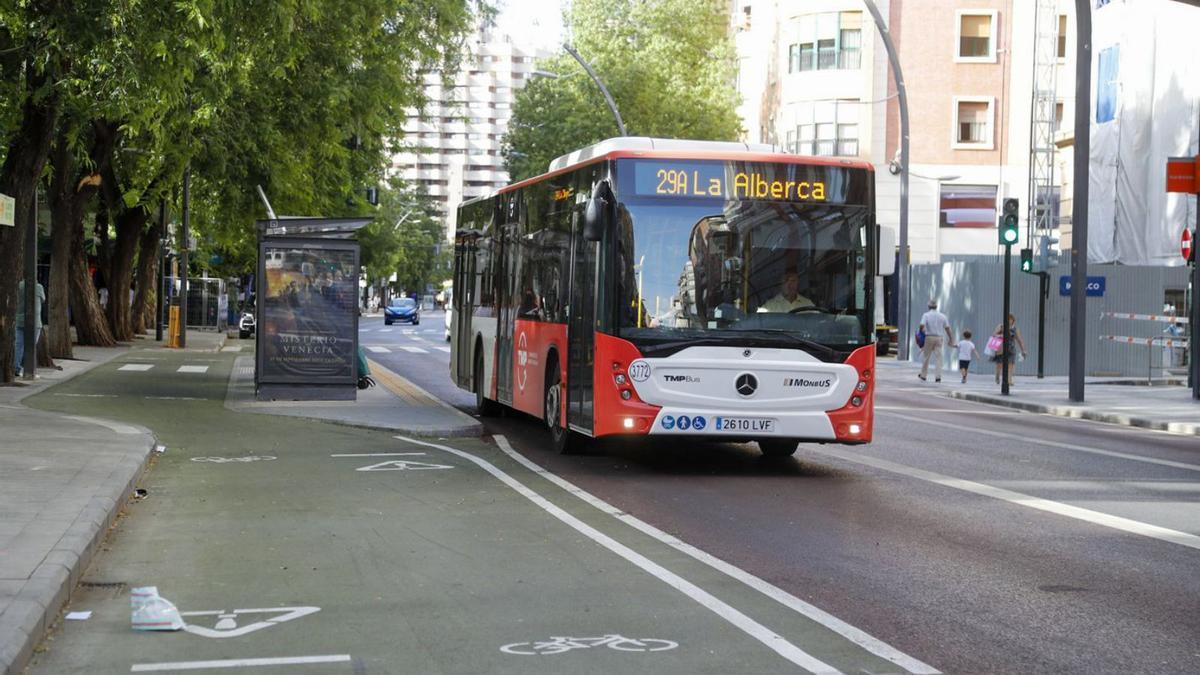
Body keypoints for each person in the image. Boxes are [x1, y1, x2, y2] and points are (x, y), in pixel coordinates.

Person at [14, 279, 45, 378]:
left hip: (20, 320)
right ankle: (30, 370)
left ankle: (16, 368)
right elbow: (43, 300)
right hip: (35, 322)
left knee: (19, 345)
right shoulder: (39, 287)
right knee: (31, 346)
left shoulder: (18, 286)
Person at [918, 299, 953, 382]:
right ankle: (938, 377)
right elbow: (947, 328)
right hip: (939, 338)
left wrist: (921, 332)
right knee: (939, 358)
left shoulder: (926, 315)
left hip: (929, 337)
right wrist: (951, 338)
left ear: (928, 307)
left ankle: (923, 375)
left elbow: (922, 325)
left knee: (926, 357)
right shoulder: (943, 316)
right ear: (936, 306)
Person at [991, 313, 1027, 386]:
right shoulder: (1001, 326)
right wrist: (1001, 335)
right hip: (1001, 348)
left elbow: (1019, 340)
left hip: (1011, 349)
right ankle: (997, 375)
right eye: (1008, 319)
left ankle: (1009, 380)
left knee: (1011, 365)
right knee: (1000, 364)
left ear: (1013, 320)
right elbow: (993, 335)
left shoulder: (1015, 329)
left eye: (1011, 319)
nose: (1009, 321)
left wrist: (1023, 350)